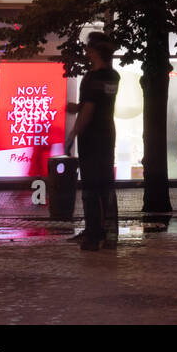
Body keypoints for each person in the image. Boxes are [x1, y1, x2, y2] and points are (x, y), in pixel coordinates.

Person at [66, 32, 120, 251]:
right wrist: (79, 107)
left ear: (94, 51)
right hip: (107, 132)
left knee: (90, 185)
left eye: (88, 47)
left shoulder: (92, 78)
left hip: (92, 135)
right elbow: (99, 102)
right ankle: (110, 234)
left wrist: (73, 133)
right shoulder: (113, 76)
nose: (86, 51)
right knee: (106, 184)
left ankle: (92, 235)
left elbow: (90, 108)